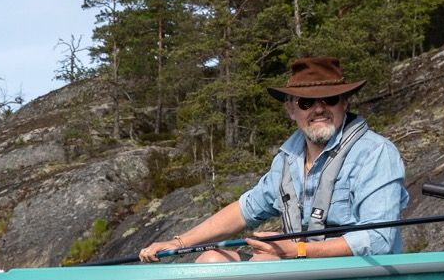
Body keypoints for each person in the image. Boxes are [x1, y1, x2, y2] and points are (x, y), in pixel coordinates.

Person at [138, 56, 407, 264]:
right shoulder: (286, 161)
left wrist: (298, 251)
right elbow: (246, 209)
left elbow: (379, 239)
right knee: (211, 259)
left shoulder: (376, 153)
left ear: (345, 103)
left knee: (266, 260)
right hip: (303, 276)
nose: (319, 109)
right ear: (291, 109)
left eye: (330, 99)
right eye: (306, 103)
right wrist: (178, 242)